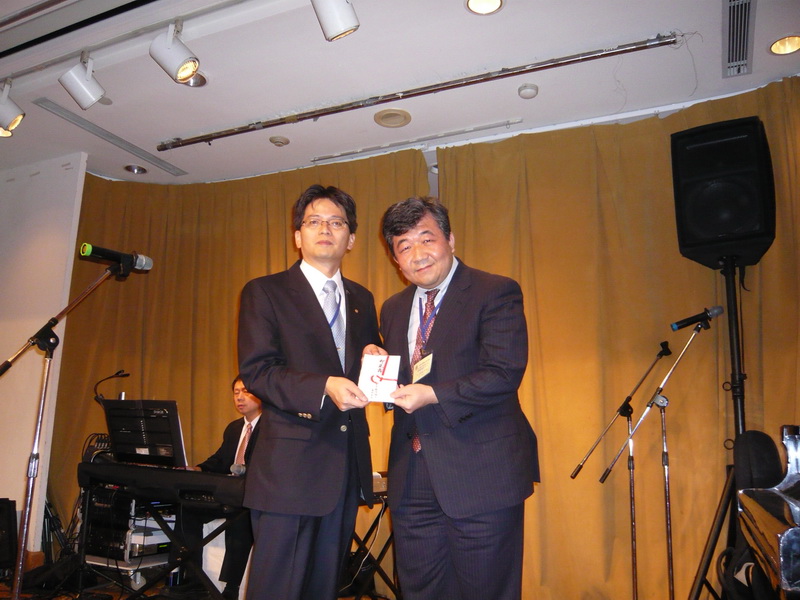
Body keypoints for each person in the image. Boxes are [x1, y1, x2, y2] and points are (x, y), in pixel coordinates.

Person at [373, 196, 539, 600]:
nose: (417, 253)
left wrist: (432, 394)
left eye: (426, 238)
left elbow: (504, 372)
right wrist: (376, 372)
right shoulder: (392, 309)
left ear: (449, 239)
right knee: (420, 590)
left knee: (486, 590)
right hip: (412, 477)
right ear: (395, 259)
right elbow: (404, 382)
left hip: (480, 472)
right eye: (404, 246)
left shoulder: (494, 291)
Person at [237, 184, 380, 600]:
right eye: (314, 221)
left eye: (337, 222)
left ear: (351, 239)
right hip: (289, 471)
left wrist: (375, 358)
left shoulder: (362, 298)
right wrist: (324, 386)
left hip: (345, 466)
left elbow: (361, 370)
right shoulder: (265, 291)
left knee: (323, 588)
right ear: (298, 236)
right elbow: (259, 371)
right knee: (277, 590)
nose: (325, 229)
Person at [166, 375, 262, 600]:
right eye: (236, 392)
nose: (239, 397)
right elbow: (219, 460)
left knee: (241, 518)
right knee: (186, 510)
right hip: (227, 493)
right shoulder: (234, 428)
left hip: (252, 496)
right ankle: (194, 580)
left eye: (246, 392)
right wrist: (197, 469)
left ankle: (231, 589)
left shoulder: (271, 428)